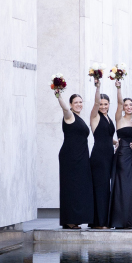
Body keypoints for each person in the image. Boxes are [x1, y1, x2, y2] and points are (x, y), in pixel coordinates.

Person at [54, 89, 92, 229]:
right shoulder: (69, 115)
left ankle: (75, 218)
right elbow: (64, 108)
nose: (79, 104)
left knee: (79, 187)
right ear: (70, 104)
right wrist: (59, 96)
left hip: (81, 157)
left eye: (80, 102)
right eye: (76, 102)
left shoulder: (80, 118)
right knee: (70, 187)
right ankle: (69, 220)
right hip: (70, 157)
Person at [109, 81, 132, 228]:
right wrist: (119, 88)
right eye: (126, 105)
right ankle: (119, 220)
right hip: (122, 156)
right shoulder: (119, 119)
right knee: (121, 186)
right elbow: (118, 102)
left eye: (131, 105)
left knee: (131, 187)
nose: (128, 107)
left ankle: (129, 220)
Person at [88, 78, 114, 229]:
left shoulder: (108, 118)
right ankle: (98, 222)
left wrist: (117, 142)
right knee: (100, 188)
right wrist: (98, 87)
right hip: (99, 157)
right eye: (101, 104)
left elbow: (108, 137)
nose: (103, 106)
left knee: (106, 188)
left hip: (109, 155)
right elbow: (96, 104)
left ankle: (105, 220)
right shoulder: (95, 116)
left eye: (106, 104)